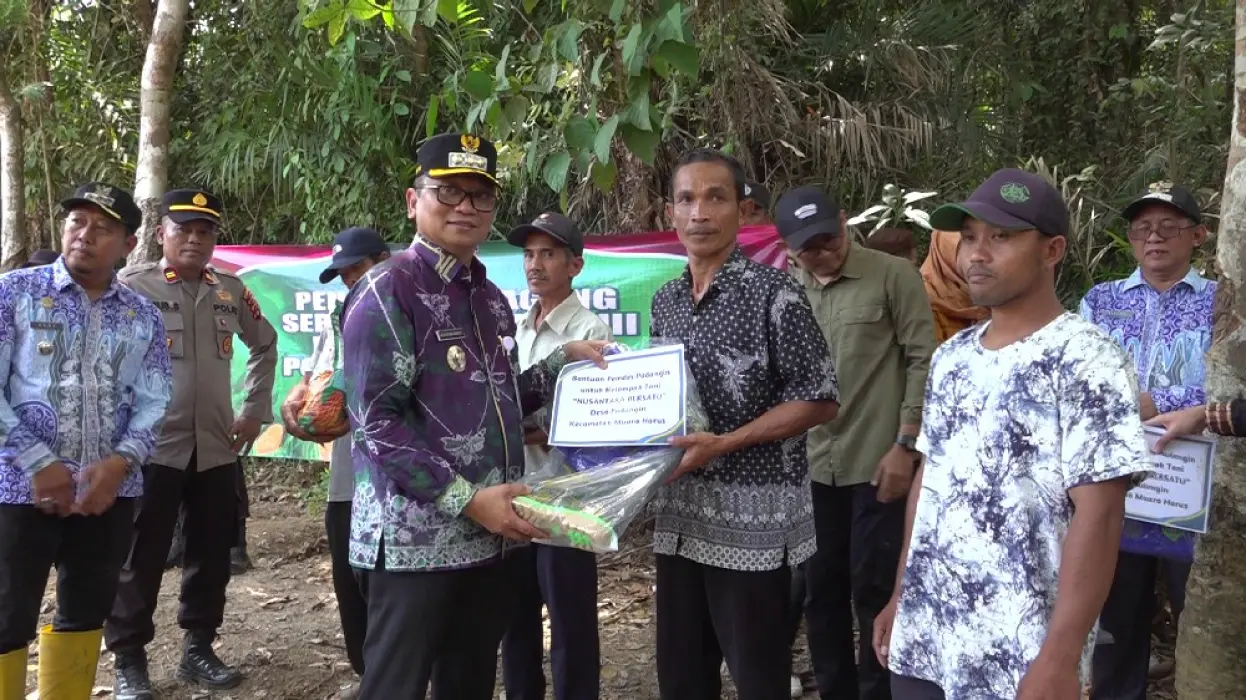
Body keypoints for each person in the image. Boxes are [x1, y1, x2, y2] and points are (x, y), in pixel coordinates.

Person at [339, 132, 609, 700]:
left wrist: (562, 360)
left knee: (468, 685)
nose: (465, 206)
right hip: (413, 545)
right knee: (395, 688)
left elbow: (497, 400)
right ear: (413, 201)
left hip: (489, 541)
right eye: (448, 192)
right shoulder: (387, 290)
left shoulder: (488, 299)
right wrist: (466, 499)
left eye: (480, 196)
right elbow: (375, 424)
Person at [873, 168, 1153, 700]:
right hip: (927, 636)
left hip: (1020, 653)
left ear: (1052, 250)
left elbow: (1099, 514)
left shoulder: (1088, 359)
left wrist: (1060, 658)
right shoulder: (952, 357)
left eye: (1001, 237)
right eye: (969, 237)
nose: (976, 254)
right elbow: (931, 482)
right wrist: (900, 595)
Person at [648, 148, 840, 700]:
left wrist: (726, 443)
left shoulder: (775, 294)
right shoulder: (666, 301)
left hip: (753, 524)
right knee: (682, 677)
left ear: (743, 211)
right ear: (670, 213)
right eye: (687, 199)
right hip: (680, 515)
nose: (699, 212)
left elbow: (820, 399)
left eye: (716, 197)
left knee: (758, 677)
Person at [0, 182, 172, 698]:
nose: (84, 235)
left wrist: (120, 464)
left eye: (103, 228)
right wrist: (38, 461)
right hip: (17, 490)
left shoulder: (142, 314)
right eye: (77, 222)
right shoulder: (14, 293)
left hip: (106, 496)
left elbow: (155, 399)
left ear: (128, 244)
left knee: (85, 614)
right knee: (6, 618)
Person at [106, 188, 279, 699]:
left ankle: (199, 648)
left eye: (206, 231)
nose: (195, 240)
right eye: (184, 229)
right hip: (151, 449)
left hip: (215, 448)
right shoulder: (133, 287)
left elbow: (265, 345)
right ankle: (129, 660)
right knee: (140, 556)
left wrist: (254, 411)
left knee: (211, 553)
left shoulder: (230, 290)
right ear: (162, 233)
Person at [778, 186, 935, 700]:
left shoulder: (893, 276)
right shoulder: (784, 291)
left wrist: (906, 445)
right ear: (788, 249)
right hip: (810, 465)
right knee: (819, 592)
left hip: (877, 460)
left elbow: (923, 359)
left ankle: (878, 692)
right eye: (809, 248)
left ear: (845, 223)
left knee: (875, 589)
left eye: (829, 238)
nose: (823, 252)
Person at [1081, 184, 1213, 696]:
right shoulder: (1101, 300)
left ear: (1198, 236)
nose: (1154, 237)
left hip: (1199, 487)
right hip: (1117, 482)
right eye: (1142, 228)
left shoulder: (1222, 303)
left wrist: (1155, 402)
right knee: (1116, 615)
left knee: (1201, 610)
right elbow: (1079, 378)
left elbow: (1234, 385)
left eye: (1169, 226)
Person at [501, 212, 612, 700]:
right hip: (514, 494)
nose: (535, 264)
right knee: (515, 620)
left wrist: (534, 429)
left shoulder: (590, 329)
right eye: (529, 254)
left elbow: (596, 419)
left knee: (571, 624)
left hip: (566, 498)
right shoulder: (518, 328)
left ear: (575, 265)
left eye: (548, 254)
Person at [280, 226, 390, 700]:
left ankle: (403, 675)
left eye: (357, 269)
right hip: (348, 474)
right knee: (351, 576)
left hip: (397, 476)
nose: (350, 281)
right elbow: (315, 377)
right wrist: (299, 399)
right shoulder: (339, 317)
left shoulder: (408, 315)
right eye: (343, 274)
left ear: (384, 261)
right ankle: (368, 675)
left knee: (393, 581)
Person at [920, 229, 988, 343]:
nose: (977, 256)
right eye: (967, 243)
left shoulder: (996, 290)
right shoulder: (922, 300)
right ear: (944, 252)